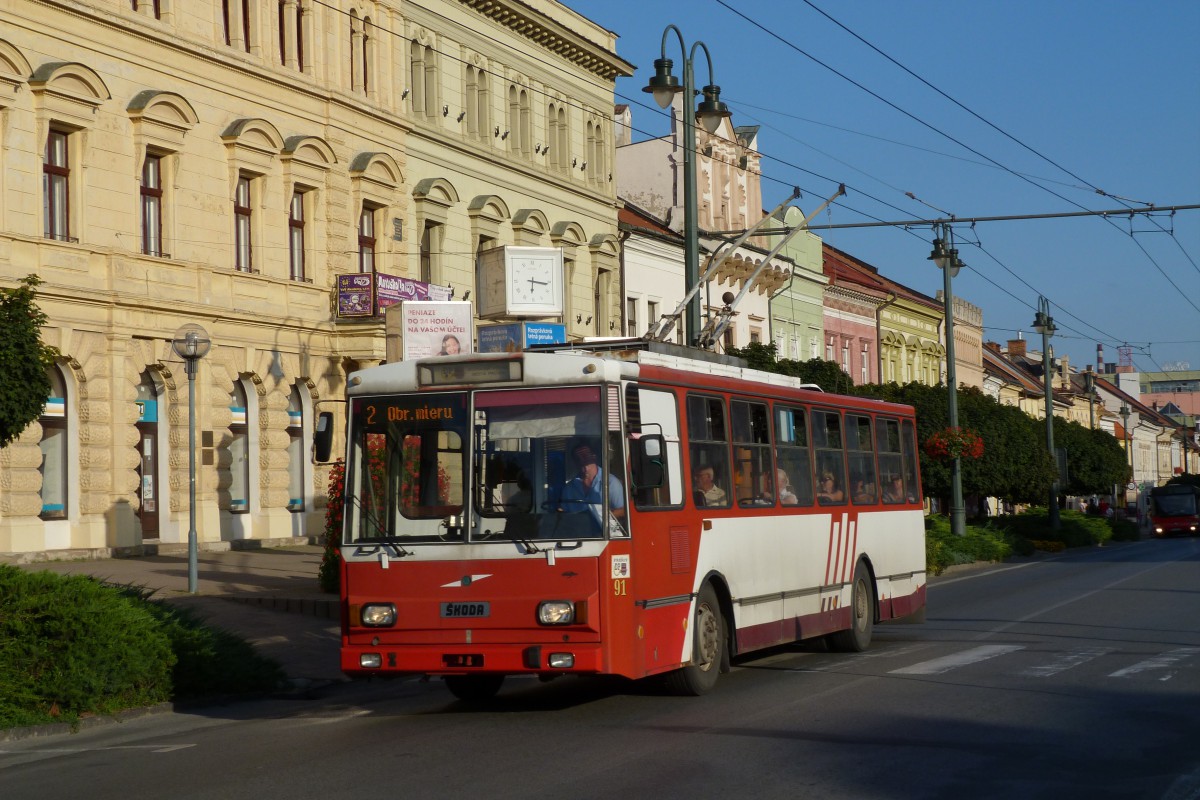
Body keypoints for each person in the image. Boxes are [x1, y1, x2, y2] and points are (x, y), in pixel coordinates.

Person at [559, 440, 625, 531]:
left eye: (586, 456)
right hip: (576, 536)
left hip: (605, 536)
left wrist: (601, 516)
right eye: (578, 458)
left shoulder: (611, 482)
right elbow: (562, 513)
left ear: (594, 457)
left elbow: (623, 511)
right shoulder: (569, 488)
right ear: (575, 462)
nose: (583, 461)